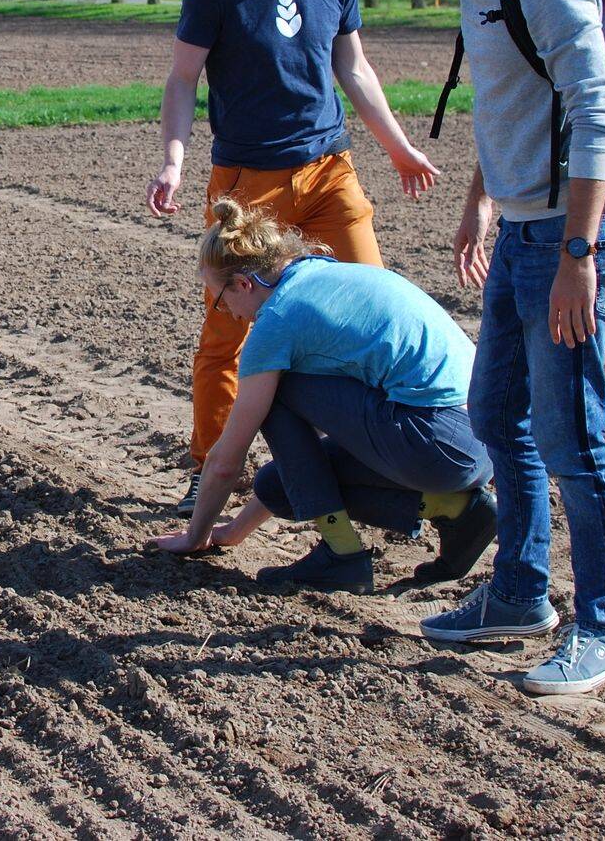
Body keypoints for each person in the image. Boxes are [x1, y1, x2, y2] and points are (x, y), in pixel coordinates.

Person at [385, 0, 605, 697]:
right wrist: (479, 203)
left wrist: (578, 249)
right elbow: (508, 105)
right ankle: (519, 594)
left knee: (573, 436)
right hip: (523, 225)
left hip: (573, 232)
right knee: (497, 415)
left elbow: (595, 110)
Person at [147, 0, 440, 516]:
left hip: (329, 168)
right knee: (228, 334)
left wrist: (396, 147)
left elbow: (354, 68)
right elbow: (182, 80)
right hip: (248, 182)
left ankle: (387, 472)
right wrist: (174, 160)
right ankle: (208, 467)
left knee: (377, 313)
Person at [152, 197, 497, 593]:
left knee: (276, 393)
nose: (226, 312)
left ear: (243, 284)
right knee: (276, 487)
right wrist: (234, 530)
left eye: (219, 300)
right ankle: (459, 511)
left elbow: (227, 461)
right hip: (484, 440)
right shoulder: (322, 275)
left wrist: (195, 536)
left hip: (438, 443)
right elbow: (303, 460)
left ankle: (342, 555)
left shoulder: (277, 321)